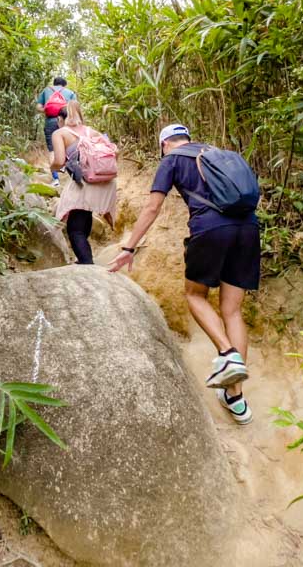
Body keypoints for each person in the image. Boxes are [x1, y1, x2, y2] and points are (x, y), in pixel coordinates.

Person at [108, 123, 260, 425]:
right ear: (187, 139)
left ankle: (228, 354)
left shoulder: (172, 160)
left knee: (195, 295)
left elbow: (153, 207)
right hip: (249, 229)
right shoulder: (217, 153)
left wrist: (129, 248)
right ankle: (236, 398)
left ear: (165, 144)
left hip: (210, 230)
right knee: (233, 311)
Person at [49, 101, 117, 265]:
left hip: (84, 180)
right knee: (85, 214)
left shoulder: (60, 133)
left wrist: (52, 166)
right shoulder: (92, 132)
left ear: (60, 118)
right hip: (105, 180)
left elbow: (58, 161)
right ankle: (85, 260)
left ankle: (87, 264)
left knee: (74, 228)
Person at [35, 76, 77, 186]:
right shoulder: (70, 92)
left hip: (50, 121)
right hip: (66, 123)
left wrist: (47, 109)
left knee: (52, 151)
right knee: (70, 149)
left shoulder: (46, 90)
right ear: (64, 85)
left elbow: (38, 107)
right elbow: (75, 109)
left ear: (54, 84)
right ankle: (74, 178)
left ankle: (55, 179)